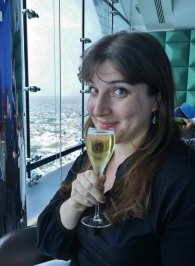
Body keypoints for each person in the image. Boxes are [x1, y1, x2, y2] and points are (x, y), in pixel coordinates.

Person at [37, 31, 195, 266]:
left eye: (119, 90)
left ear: (156, 100)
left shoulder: (183, 179)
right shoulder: (97, 151)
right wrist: (75, 203)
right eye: (93, 89)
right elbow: (50, 245)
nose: (98, 109)